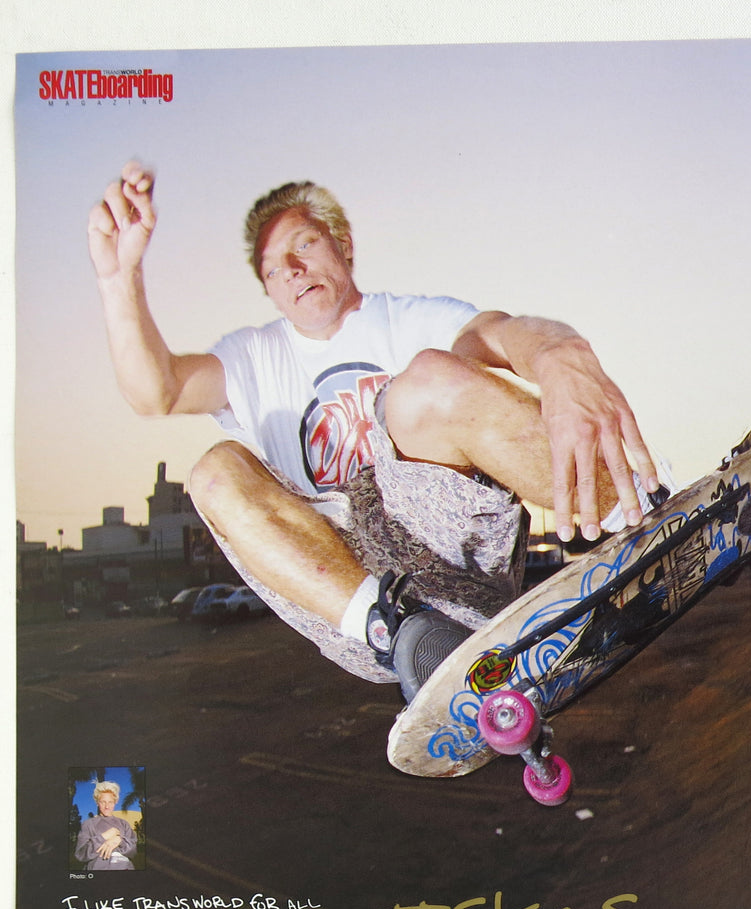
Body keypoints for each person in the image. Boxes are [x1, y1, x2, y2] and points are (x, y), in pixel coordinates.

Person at [88, 162, 669, 700]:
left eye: (303, 246)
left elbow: (497, 332)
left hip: (451, 549)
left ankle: (642, 514)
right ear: (269, 291)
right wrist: (119, 279)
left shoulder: (408, 319)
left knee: (428, 380)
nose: (292, 271)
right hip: (349, 592)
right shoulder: (253, 358)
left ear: (342, 244)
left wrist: (555, 351)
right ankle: (408, 636)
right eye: (273, 270)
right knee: (215, 472)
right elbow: (156, 391)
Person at [74, 781, 137, 871]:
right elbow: (80, 854)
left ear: (115, 802)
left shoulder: (124, 824)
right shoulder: (88, 824)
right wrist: (104, 837)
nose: (107, 806)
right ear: (97, 802)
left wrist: (120, 841)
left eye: (110, 802)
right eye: (103, 802)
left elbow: (133, 852)